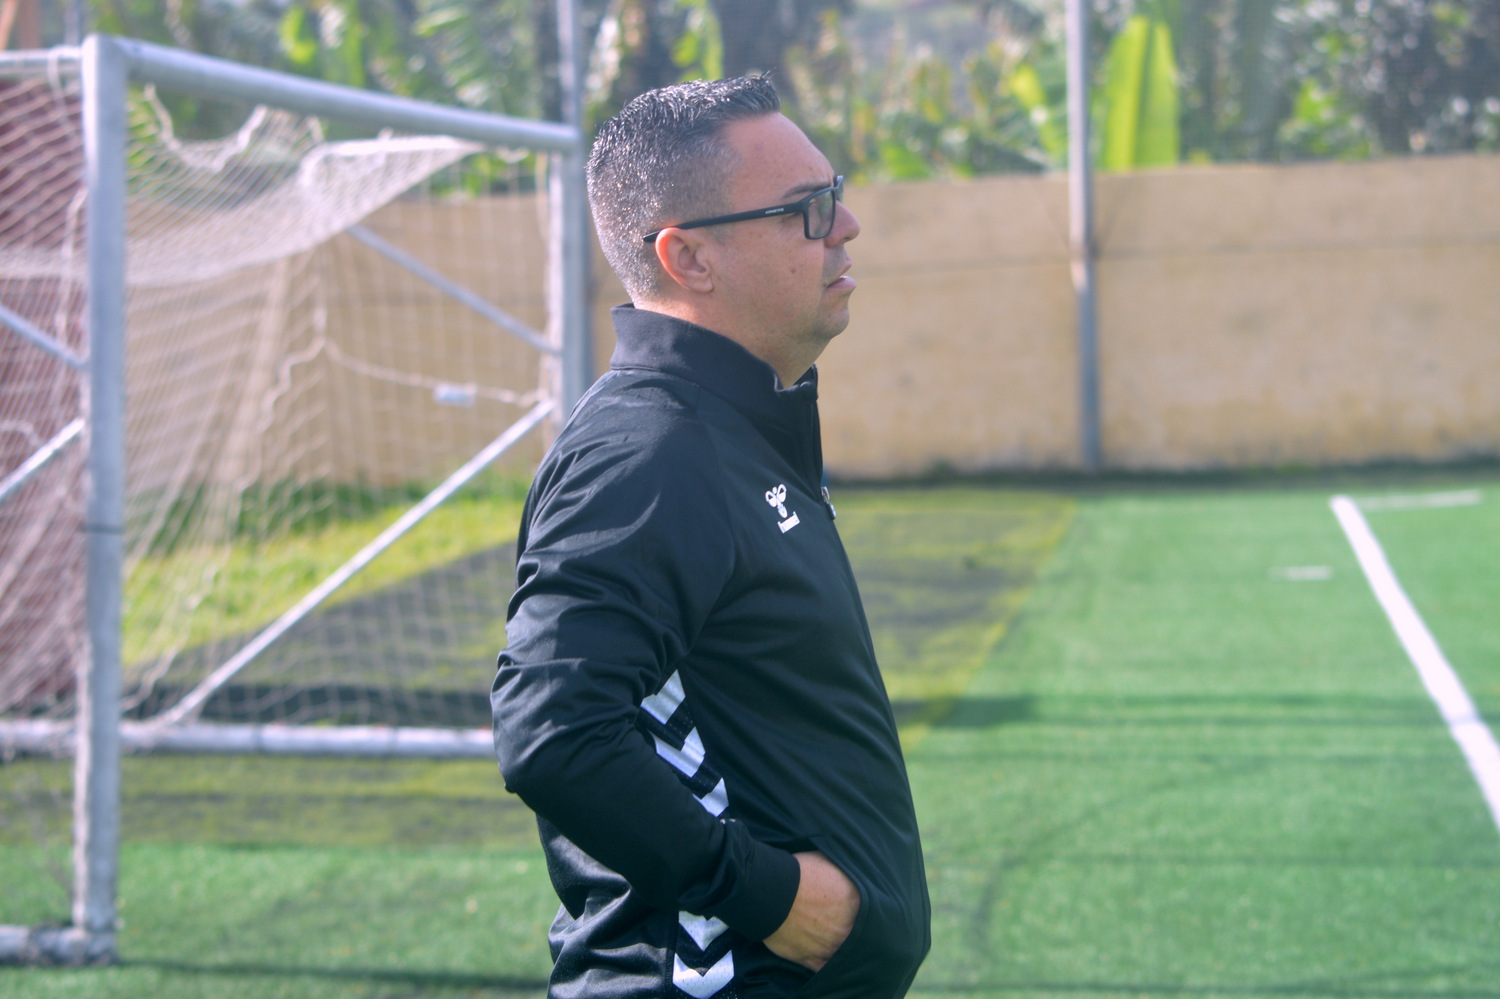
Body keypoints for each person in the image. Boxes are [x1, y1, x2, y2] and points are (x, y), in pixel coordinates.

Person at [490, 76, 930, 999]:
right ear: (688, 257)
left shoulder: (730, 426)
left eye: (835, 194)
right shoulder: (649, 453)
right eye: (806, 210)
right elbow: (553, 730)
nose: (843, 227)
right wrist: (767, 893)